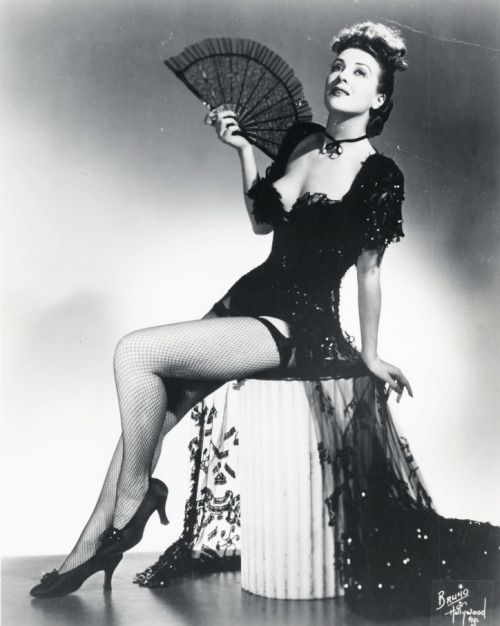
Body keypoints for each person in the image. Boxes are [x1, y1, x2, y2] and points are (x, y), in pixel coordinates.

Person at [30, 22, 499, 619]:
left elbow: (370, 271)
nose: (342, 76)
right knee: (149, 417)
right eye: (339, 66)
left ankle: (131, 509)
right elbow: (262, 221)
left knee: (134, 353)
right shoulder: (302, 141)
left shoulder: (380, 174)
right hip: (246, 299)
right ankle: (91, 544)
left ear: (380, 97)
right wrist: (243, 151)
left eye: (359, 71)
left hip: (298, 325)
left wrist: (372, 353)